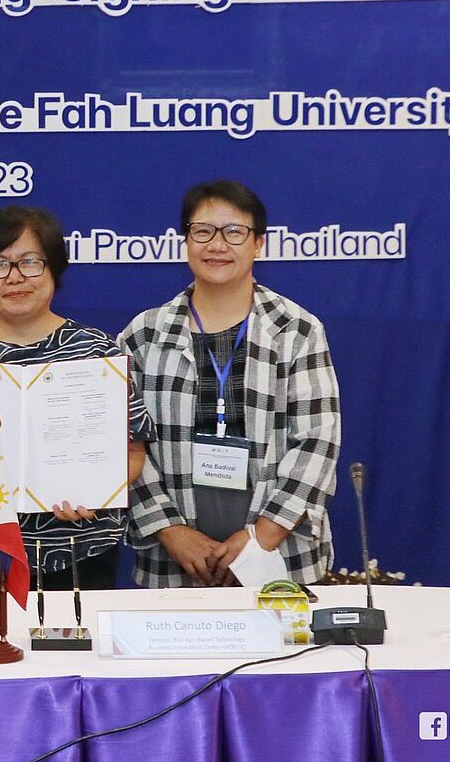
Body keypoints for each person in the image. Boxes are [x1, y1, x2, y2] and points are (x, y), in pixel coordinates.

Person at [0, 205, 149, 591]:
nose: (15, 277)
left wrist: (99, 490)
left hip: (78, 554)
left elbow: (134, 452)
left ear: (54, 268)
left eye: (30, 262)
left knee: (69, 653)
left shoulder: (98, 354)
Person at [119, 180, 340, 588]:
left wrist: (261, 537)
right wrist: (170, 530)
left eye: (234, 232)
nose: (217, 245)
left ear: (258, 243)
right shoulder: (143, 335)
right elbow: (123, 446)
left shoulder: (297, 330)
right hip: (174, 563)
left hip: (280, 556)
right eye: (203, 231)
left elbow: (317, 443)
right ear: (185, 241)